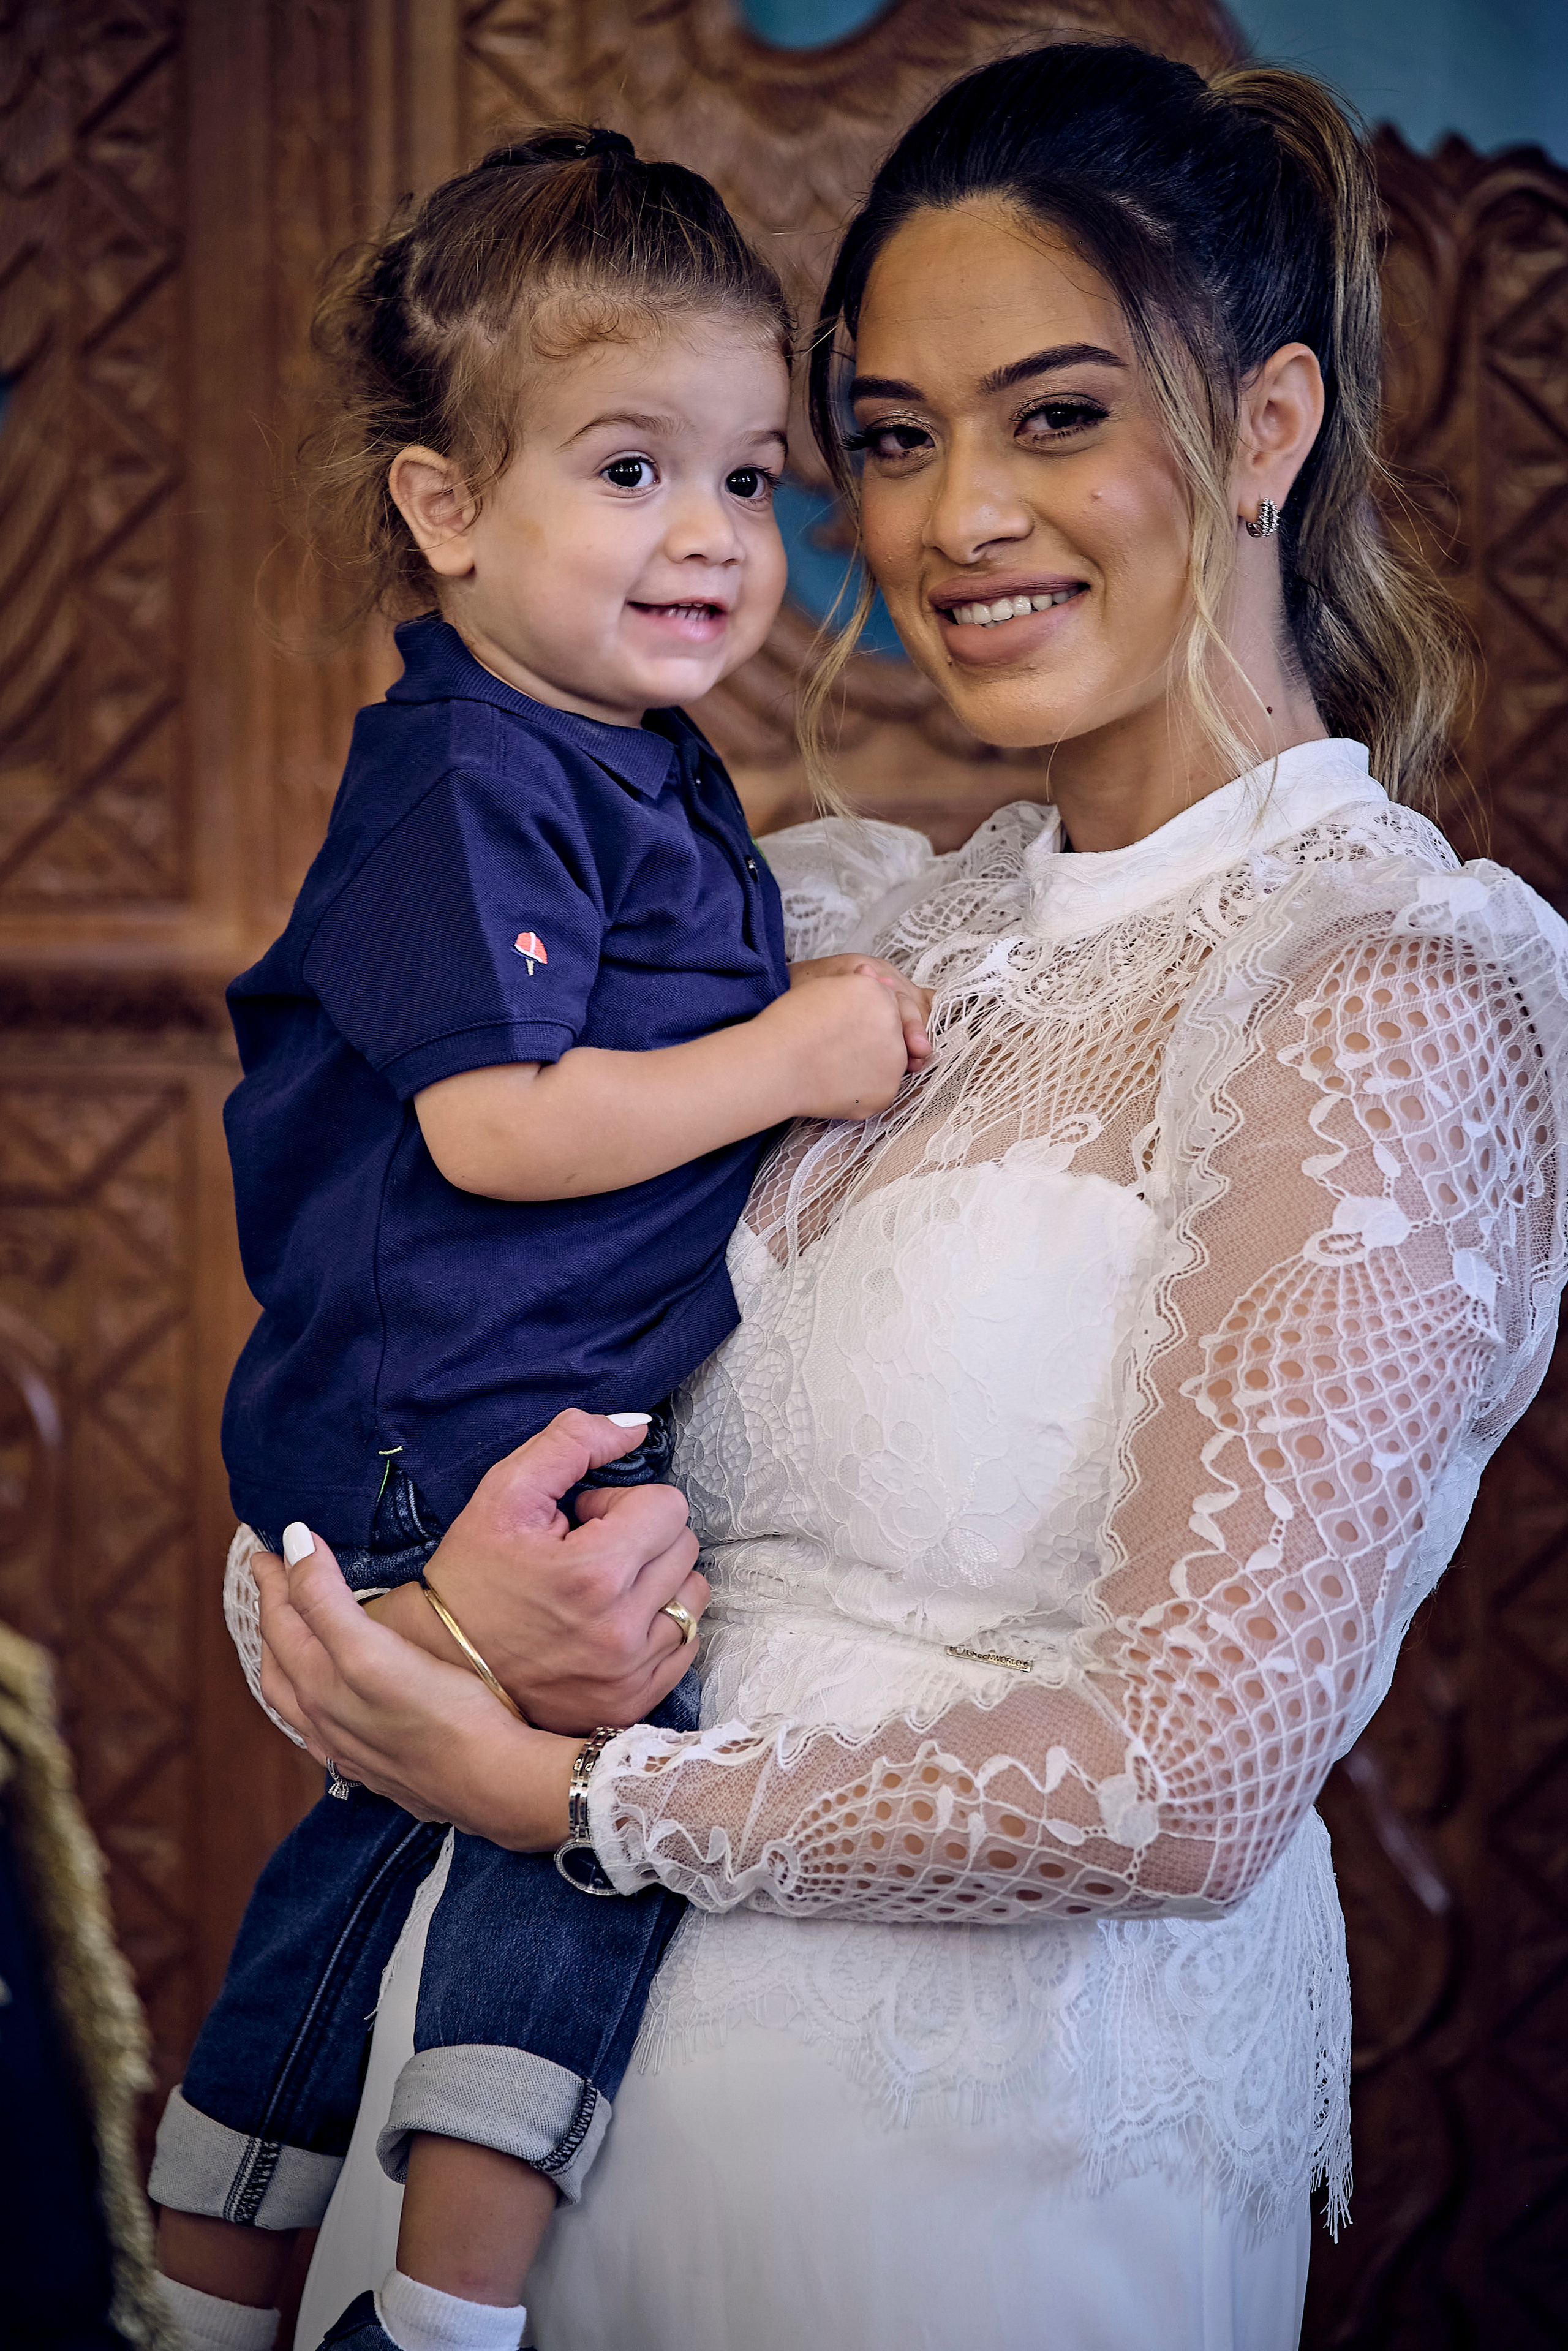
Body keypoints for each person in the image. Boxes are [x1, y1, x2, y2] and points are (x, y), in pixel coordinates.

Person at [254, 42, 1568, 2351]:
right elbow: (396, 1351)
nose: (951, 514)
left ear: (1266, 431)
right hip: (516, 2133)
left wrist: (576, 1798)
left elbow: (1183, 1786)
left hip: (969, 2191)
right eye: (886, 436)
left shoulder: (1379, 991)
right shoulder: (831, 919)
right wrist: (443, 1622)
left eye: (1056, 415)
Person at [148, 127, 932, 2351]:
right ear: (446, 508)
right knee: (597, 1783)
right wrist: (794, 1059)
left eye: (750, 475)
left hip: (479, 1399)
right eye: (625, 468)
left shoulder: (621, 747)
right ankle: (450, 2308)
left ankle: (216, 2256)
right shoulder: (477, 770)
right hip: (444, 1419)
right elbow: (494, 1128)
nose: (709, 534)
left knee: (386, 1831)